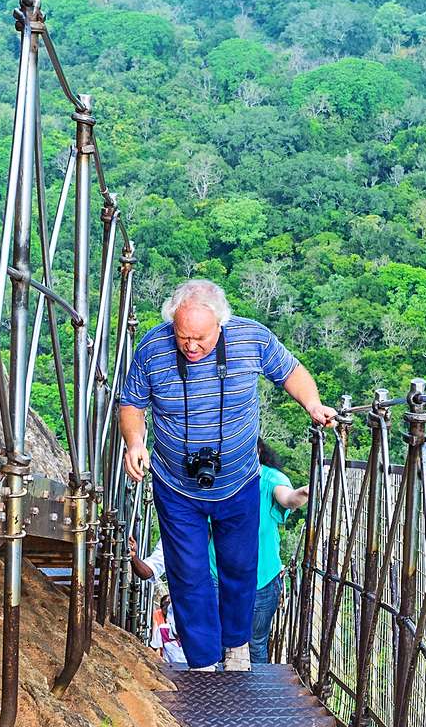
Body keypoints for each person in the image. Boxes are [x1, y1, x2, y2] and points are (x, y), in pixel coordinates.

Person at [119, 279, 336, 671]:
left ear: (220, 324)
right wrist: (135, 443)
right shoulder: (152, 348)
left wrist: (313, 404)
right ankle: (202, 662)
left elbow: (291, 372)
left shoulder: (251, 339)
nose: (191, 346)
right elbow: (131, 404)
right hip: (176, 484)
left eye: (200, 338)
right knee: (188, 573)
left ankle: (236, 646)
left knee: (239, 566)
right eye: (183, 336)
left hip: (238, 481)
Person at [249, 442, 310, 665]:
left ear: (258, 451)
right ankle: (220, 686)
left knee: (255, 642)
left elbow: (286, 497)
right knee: (219, 640)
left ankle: (254, 686)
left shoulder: (268, 478)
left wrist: (301, 494)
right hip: (219, 574)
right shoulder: (219, 476)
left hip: (261, 577)